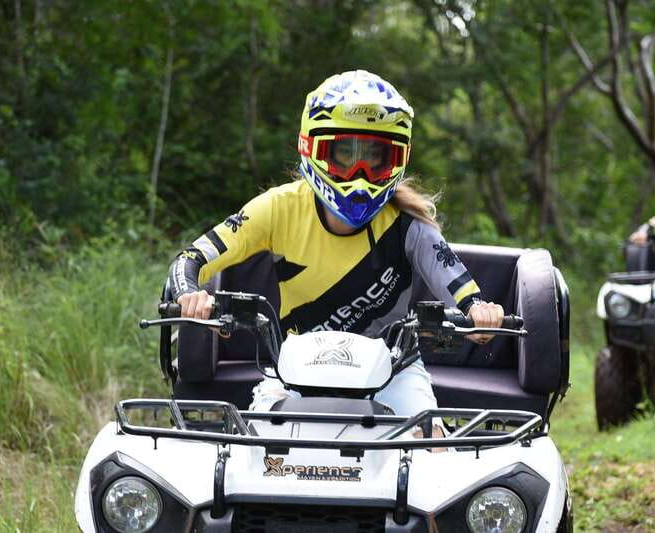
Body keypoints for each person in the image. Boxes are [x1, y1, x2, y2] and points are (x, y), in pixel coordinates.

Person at [168, 70, 503, 420]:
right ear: (310, 147)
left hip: (394, 371)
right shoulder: (278, 207)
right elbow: (191, 258)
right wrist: (188, 293)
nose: (360, 171)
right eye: (345, 152)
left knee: (432, 444)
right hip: (296, 372)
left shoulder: (409, 224)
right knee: (256, 447)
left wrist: (480, 312)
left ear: (397, 160)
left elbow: (460, 286)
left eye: (375, 156)